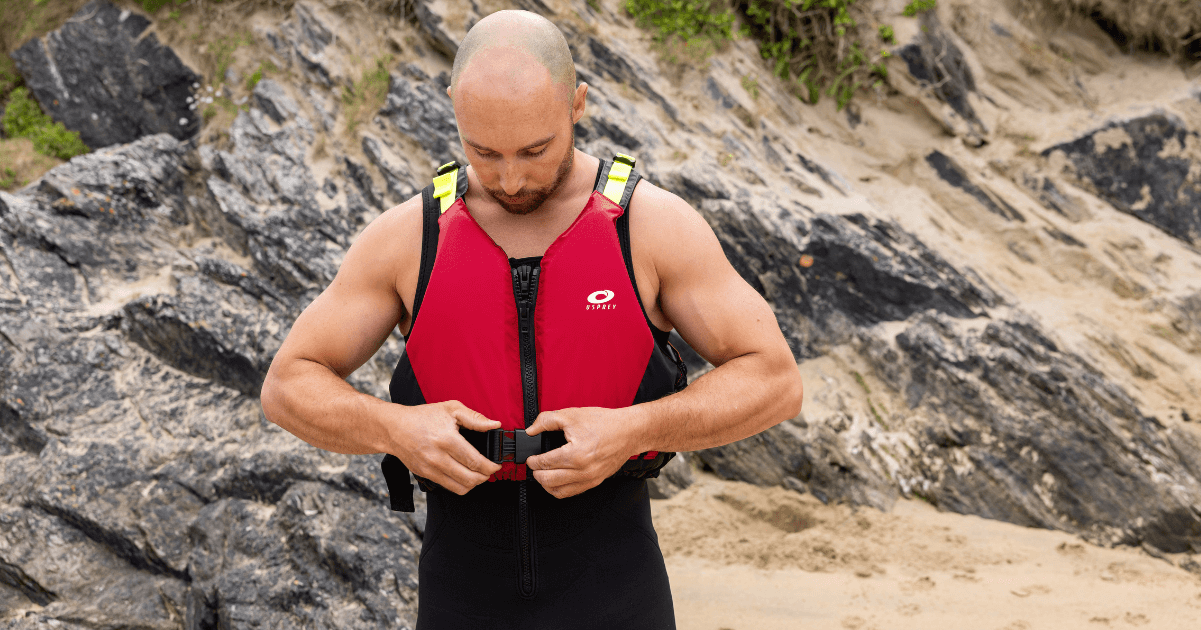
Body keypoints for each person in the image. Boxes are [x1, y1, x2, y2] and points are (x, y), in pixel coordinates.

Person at [260, 9, 802, 629]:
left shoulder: (653, 226)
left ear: (577, 104)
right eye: (482, 152)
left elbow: (775, 380)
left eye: (534, 150)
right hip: (461, 593)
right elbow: (287, 385)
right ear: (452, 110)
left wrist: (632, 430)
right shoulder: (409, 238)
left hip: (615, 589)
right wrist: (394, 429)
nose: (510, 179)